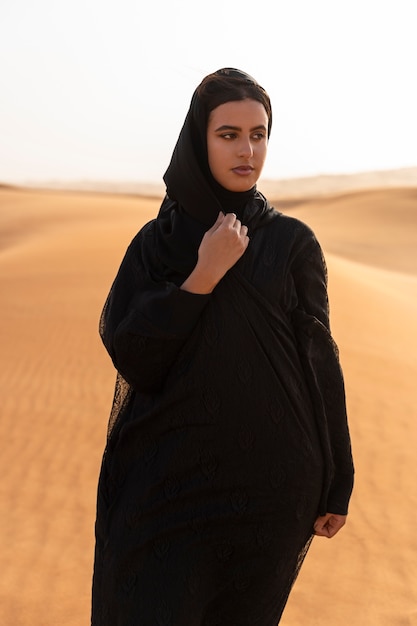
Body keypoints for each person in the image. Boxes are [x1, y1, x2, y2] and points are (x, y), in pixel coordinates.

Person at [91, 67, 354, 626]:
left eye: (259, 134)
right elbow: (135, 356)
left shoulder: (290, 244)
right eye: (229, 134)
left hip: (268, 493)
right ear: (197, 139)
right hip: (162, 487)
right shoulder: (157, 246)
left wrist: (339, 480)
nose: (248, 150)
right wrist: (201, 278)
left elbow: (319, 363)